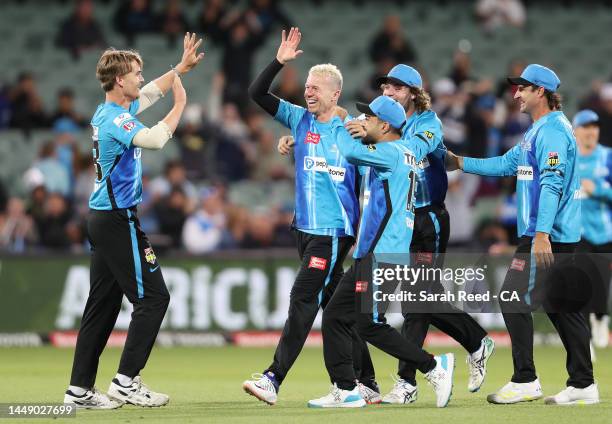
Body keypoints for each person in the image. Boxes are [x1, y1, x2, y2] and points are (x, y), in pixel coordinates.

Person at [63, 33, 204, 409]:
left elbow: (151, 94)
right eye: (137, 73)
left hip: (104, 219)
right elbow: (156, 139)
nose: (141, 79)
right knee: (155, 298)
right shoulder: (115, 120)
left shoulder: (108, 112)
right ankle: (126, 381)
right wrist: (181, 104)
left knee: (102, 307)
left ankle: (79, 390)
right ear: (119, 80)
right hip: (116, 220)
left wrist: (178, 70)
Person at [446, 64, 599, 405]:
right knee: (561, 307)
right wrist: (459, 162)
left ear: (540, 92)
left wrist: (542, 233)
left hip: (547, 234)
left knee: (512, 296)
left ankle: (526, 379)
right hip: (548, 233)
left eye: (523, 88)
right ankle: (583, 383)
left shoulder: (554, 131)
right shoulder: (537, 132)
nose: (516, 94)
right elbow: (503, 164)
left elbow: (552, 183)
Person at [243, 27, 376, 405]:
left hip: (333, 233)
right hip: (303, 230)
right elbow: (256, 94)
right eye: (306, 86)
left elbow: (376, 174)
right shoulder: (299, 121)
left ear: (335, 94)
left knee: (302, 300)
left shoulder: (352, 131)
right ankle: (366, 381)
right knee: (336, 306)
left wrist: (366, 235)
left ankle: (273, 377)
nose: (308, 91)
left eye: (316, 87)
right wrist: (278, 61)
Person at [308, 95, 455, 408]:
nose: (364, 121)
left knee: (369, 324)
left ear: (385, 125)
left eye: (370, 118)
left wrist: (337, 122)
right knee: (336, 315)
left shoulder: (389, 152)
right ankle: (346, 389)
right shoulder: (403, 150)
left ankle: (432, 367)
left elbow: (348, 152)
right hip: (378, 251)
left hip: (383, 252)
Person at [364, 65, 493, 404]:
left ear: (413, 93)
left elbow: (413, 154)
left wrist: (373, 138)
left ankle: (407, 383)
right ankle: (476, 340)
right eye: (386, 86)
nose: (388, 91)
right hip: (399, 222)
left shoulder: (428, 124)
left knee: (416, 302)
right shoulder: (383, 123)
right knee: (419, 301)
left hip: (428, 221)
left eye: (396, 87)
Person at [573, 109, 611, 349]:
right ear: (576, 131)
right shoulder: (568, 158)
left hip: (605, 232)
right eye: (586, 127)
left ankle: (600, 317)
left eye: (595, 127)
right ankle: (584, 339)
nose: (591, 132)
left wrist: (596, 189)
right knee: (581, 283)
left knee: (600, 284)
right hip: (578, 233)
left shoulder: (607, 157)